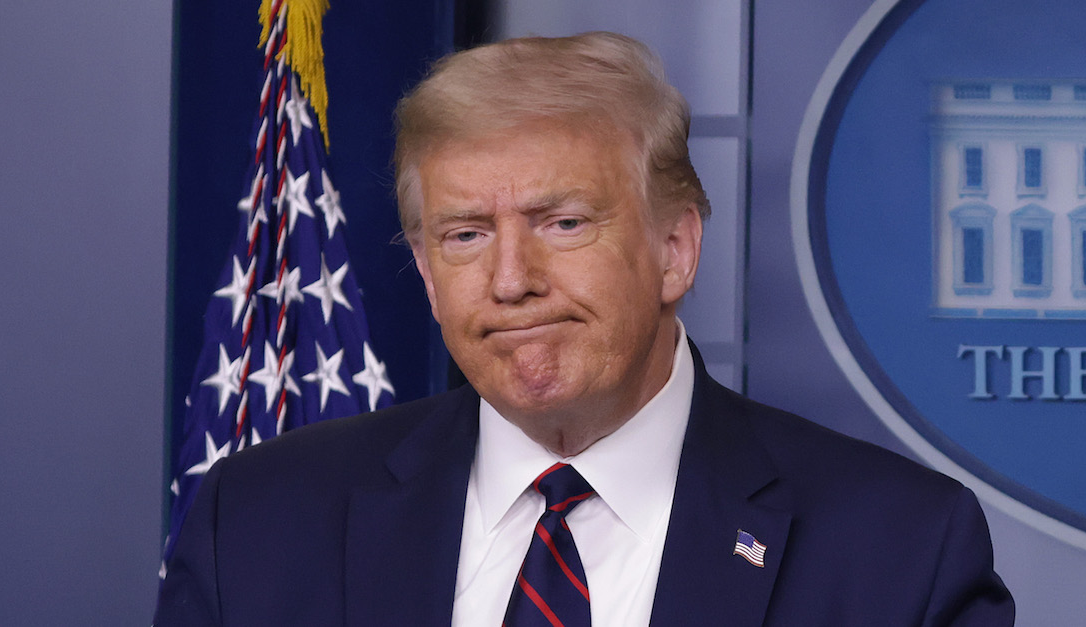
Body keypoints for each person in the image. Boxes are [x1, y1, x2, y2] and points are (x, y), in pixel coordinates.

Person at [155, 32, 1015, 626]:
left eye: (563, 223)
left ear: (675, 248)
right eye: (465, 234)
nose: (511, 280)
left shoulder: (898, 550)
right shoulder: (259, 524)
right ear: (424, 270)